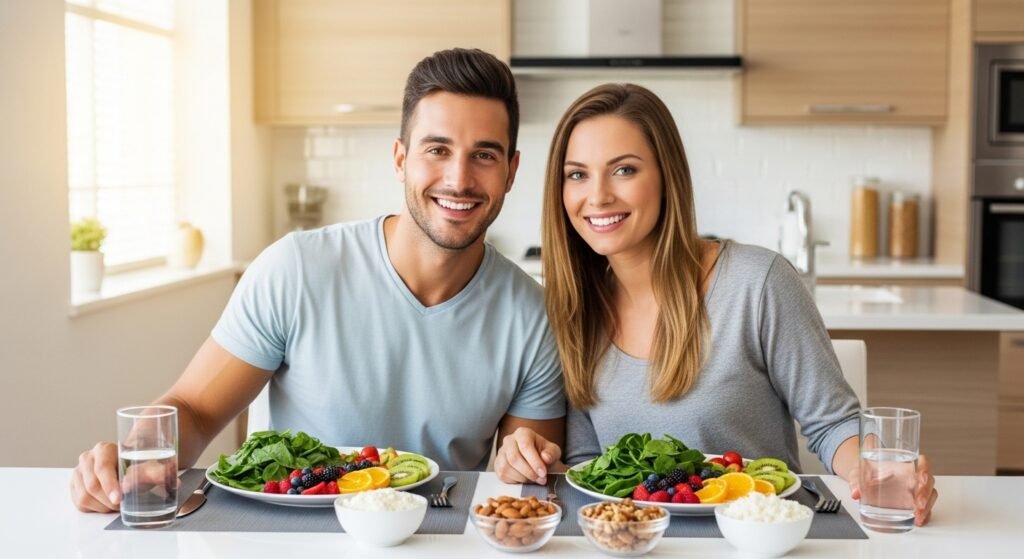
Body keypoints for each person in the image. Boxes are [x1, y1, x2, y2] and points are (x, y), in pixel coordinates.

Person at [70, 48, 565, 513]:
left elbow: (524, 487)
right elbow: (196, 409)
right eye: (438, 149)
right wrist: (138, 454)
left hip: (435, 536)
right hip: (292, 535)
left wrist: (528, 460)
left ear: (511, 170)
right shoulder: (296, 268)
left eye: (484, 155)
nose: (459, 179)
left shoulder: (533, 315)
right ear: (400, 158)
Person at [532, 82, 936, 525]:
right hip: (634, 545)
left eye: (624, 170)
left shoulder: (756, 283)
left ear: (668, 176)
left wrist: (873, 467)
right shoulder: (573, 311)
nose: (598, 195)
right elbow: (590, 464)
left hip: (758, 540)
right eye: (577, 174)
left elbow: (833, 423)